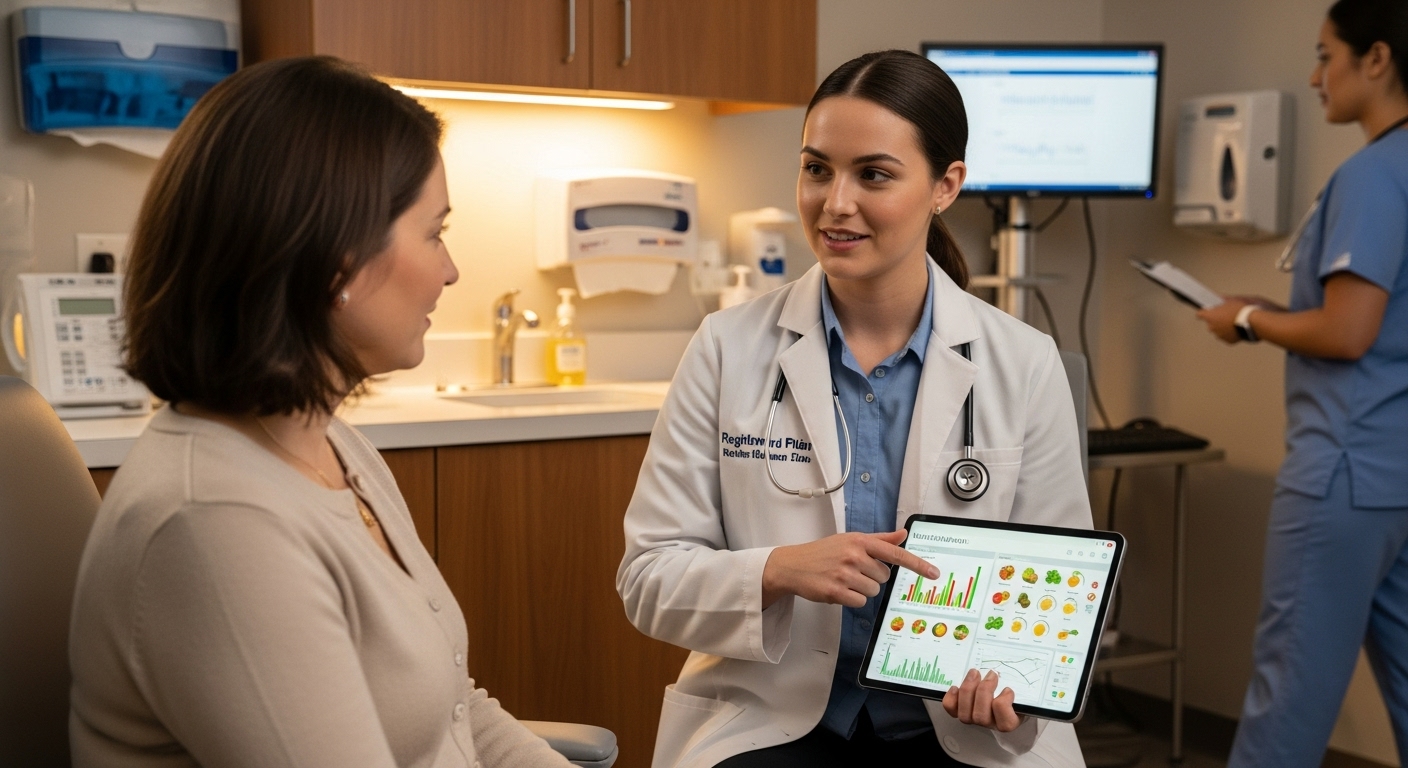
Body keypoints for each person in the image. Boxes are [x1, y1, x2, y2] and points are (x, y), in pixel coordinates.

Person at [67, 57, 571, 768]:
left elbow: (452, 709)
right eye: (434, 234)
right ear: (338, 262)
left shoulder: (332, 445)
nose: (450, 270)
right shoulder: (217, 523)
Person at [617, 50, 1091, 768]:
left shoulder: (1024, 362)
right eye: (817, 169)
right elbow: (648, 578)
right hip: (773, 719)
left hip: (960, 732)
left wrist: (1013, 692)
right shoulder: (726, 347)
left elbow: (1061, 605)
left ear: (945, 186)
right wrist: (777, 569)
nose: (835, 203)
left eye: (873, 174)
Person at [1195, 2, 1408, 766]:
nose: (1316, 78)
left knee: (1288, 693)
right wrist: (1281, 314)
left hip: (1344, 472)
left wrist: (1249, 318)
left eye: (1326, 56)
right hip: (1398, 473)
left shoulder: (1372, 176)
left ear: (1376, 57)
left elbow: (1349, 333)